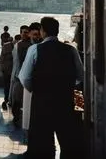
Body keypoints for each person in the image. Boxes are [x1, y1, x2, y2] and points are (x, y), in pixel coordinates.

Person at [19, 16, 83, 159]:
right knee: (67, 143)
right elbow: (80, 77)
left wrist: (36, 89)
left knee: (42, 145)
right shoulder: (71, 50)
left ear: (43, 31)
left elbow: (24, 77)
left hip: (42, 103)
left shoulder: (35, 49)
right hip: (65, 103)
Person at [22, 22, 42, 132]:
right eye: (35, 34)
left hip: (34, 89)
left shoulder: (35, 48)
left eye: (38, 34)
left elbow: (25, 76)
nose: (37, 37)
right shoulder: (24, 46)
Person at [10, 25, 31, 125]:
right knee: (16, 98)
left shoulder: (31, 45)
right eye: (24, 32)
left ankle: (21, 117)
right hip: (18, 76)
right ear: (20, 33)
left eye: (27, 32)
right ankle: (16, 116)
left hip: (26, 77)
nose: (25, 34)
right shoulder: (17, 45)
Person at [0, 35, 14, 110]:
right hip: (12, 71)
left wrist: (2, 68)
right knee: (10, 86)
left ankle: (6, 99)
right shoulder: (16, 47)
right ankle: (9, 99)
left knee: (6, 85)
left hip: (6, 70)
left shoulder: (5, 46)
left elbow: (1, 60)